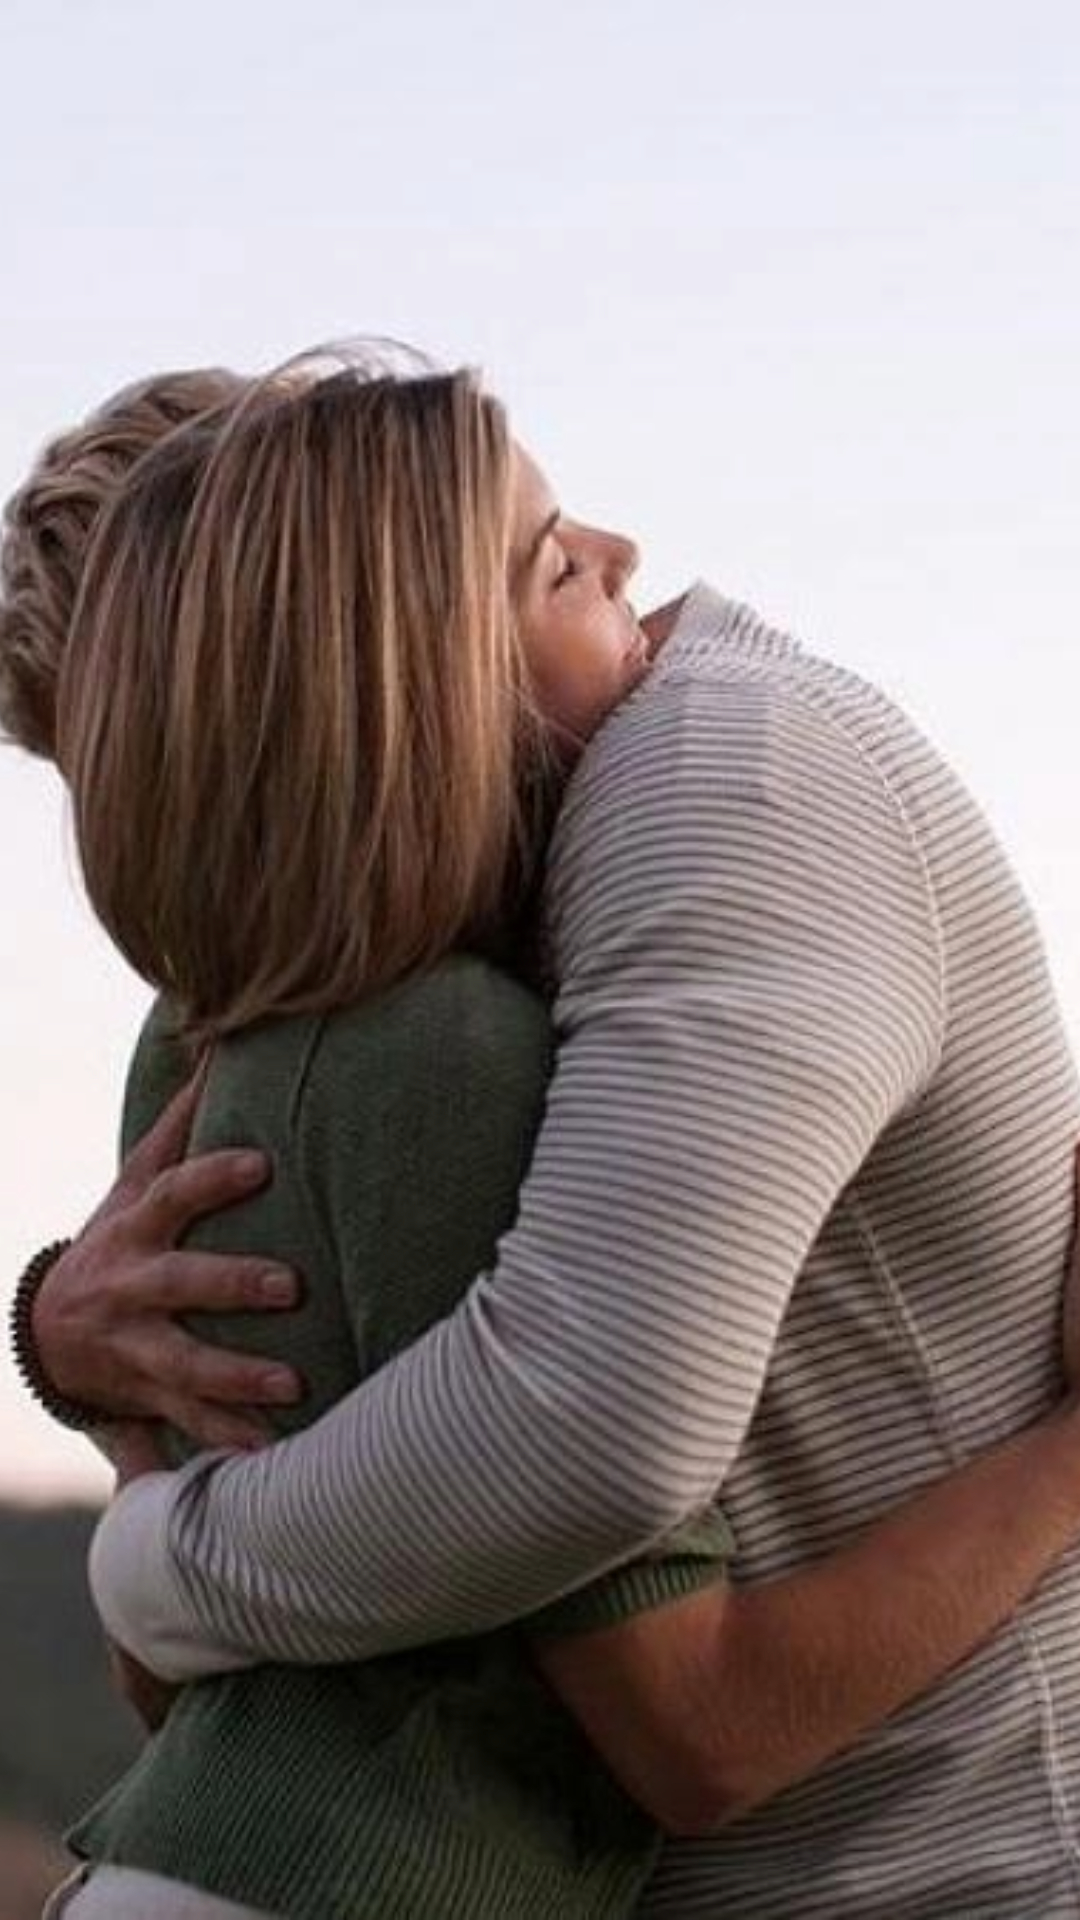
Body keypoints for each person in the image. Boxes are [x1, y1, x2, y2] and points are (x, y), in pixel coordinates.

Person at [9, 353, 1080, 1916]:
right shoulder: (316, 1029)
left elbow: (599, 1486)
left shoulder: (704, 797)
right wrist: (62, 1344)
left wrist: (154, 1560)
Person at [8, 357, 740, 1920]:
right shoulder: (376, 1040)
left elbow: (169, 1654)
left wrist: (63, 1352)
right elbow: (691, 1719)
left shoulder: (339, 1008)